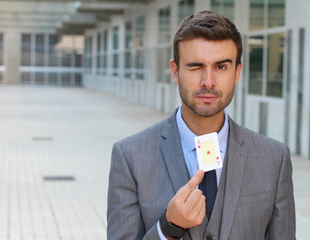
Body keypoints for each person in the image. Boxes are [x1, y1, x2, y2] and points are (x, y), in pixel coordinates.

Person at [107, 11, 295, 240]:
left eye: (221, 67)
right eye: (196, 67)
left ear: (237, 72)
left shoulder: (274, 158)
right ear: (175, 72)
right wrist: (169, 228)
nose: (208, 81)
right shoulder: (130, 156)